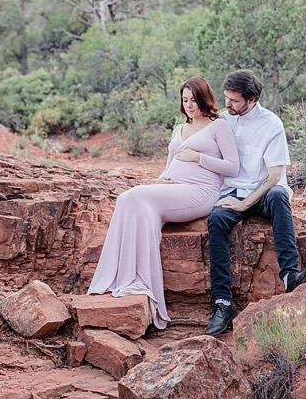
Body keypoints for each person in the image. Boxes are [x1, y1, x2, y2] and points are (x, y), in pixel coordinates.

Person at [88, 76, 239, 329]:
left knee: (136, 195)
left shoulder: (218, 126)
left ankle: (141, 282)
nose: (189, 105)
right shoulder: (178, 129)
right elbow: (169, 166)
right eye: (185, 100)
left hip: (201, 192)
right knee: (127, 199)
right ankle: (129, 278)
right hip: (174, 187)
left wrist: (199, 158)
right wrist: (161, 180)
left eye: (194, 99)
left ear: (205, 99)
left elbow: (232, 167)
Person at [205, 69, 306, 336]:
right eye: (226, 98)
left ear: (252, 99)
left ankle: (291, 276)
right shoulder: (224, 121)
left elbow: (274, 175)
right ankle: (223, 304)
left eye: (233, 100)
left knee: (280, 195)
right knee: (217, 219)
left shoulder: (272, 124)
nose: (227, 104)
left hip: (263, 191)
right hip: (233, 190)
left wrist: (246, 204)